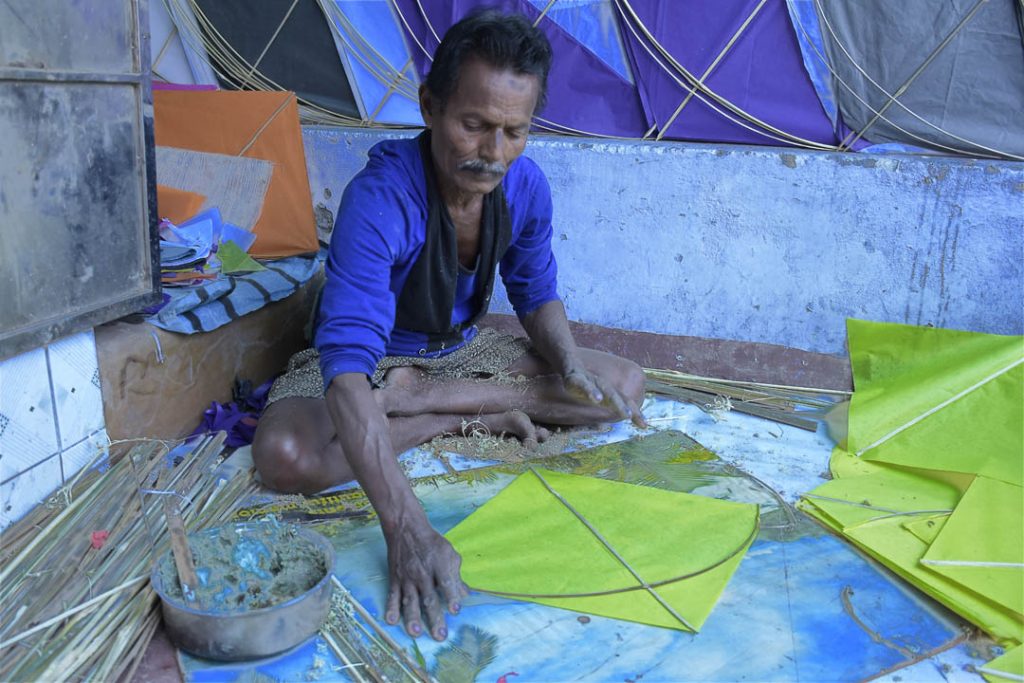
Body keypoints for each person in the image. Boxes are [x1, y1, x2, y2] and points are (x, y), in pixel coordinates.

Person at [252, 10, 646, 642]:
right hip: (377, 363)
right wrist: (407, 527)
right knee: (284, 458)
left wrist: (568, 365)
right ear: (430, 106)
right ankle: (451, 410)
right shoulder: (379, 199)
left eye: (514, 132)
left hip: (463, 355)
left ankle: (426, 401)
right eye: (474, 125)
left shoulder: (525, 187)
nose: (493, 154)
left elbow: (536, 293)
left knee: (620, 387)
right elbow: (348, 364)